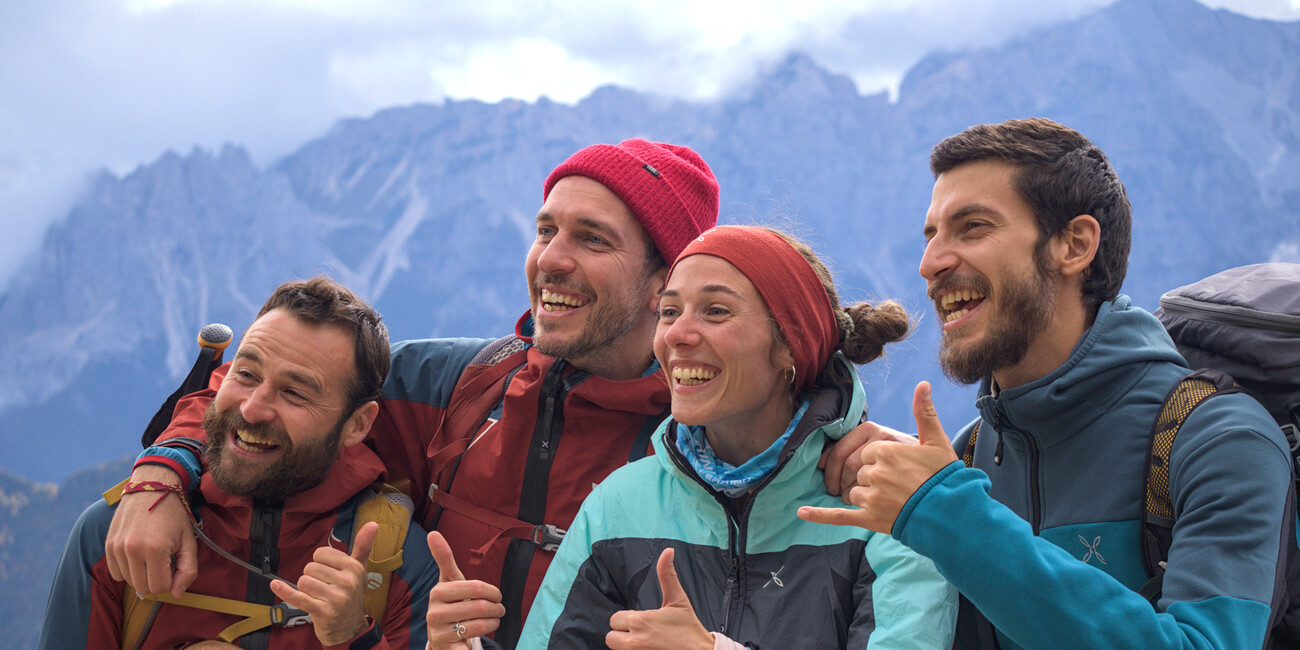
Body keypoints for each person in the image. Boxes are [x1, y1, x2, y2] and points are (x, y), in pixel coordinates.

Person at [105, 138, 723, 648]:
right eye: (545, 230)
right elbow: (253, 394)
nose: (549, 260)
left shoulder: (711, 448)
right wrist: (163, 471)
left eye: (592, 239)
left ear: (664, 283)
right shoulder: (457, 385)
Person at [800, 118, 1295, 649]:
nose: (930, 263)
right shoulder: (967, 458)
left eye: (973, 227)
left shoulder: (1220, 439)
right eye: (932, 236)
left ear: (1075, 245)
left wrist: (947, 514)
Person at [520, 225, 958, 648]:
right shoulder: (616, 506)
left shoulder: (888, 512)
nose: (677, 335)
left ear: (790, 345)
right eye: (669, 312)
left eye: (716, 311)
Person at [39, 276, 437, 649]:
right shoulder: (117, 537)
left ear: (358, 425)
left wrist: (354, 636)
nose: (251, 409)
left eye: (295, 393)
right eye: (246, 374)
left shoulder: (399, 564)